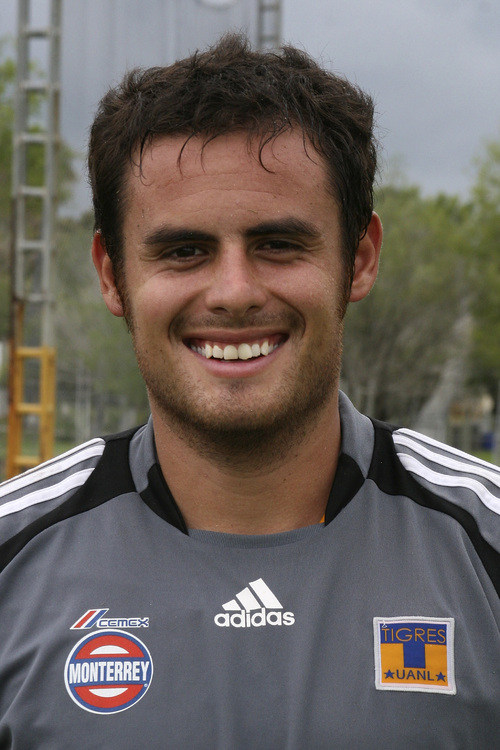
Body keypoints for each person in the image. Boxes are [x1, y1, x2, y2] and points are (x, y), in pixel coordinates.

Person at [0, 33, 499, 749]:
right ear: (112, 275)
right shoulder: (13, 556)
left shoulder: (485, 542)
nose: (234, 292)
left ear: (359, 259)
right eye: (184, 251)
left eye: (278, 244)